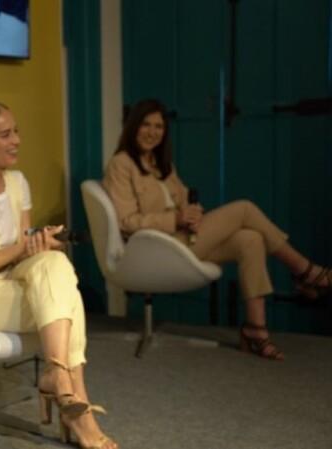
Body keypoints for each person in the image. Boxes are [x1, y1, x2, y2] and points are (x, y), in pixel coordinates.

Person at [0, 99, 118, 449]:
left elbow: (23, 252)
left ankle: (58, 377)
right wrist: (24, 247)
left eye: (16, 132)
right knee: (68, 300)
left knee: (55, 264)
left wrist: (39, 244)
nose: (16, 140)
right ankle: (76, 402)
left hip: (6, 281)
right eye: (5, 134)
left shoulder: (18, 182)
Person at [103, 98, 331, 361]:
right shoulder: (121, 164)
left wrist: (194, 213)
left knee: (250, 239)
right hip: (157, 247)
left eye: (159, 126)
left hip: (184, 239)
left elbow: (184, 200)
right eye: (146, 124)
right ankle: (306, 271)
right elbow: (127, 222)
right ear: (133, 126)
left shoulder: (162, 164)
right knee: (244, 209)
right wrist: (176, 219)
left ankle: (255, 330)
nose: (152, 132)